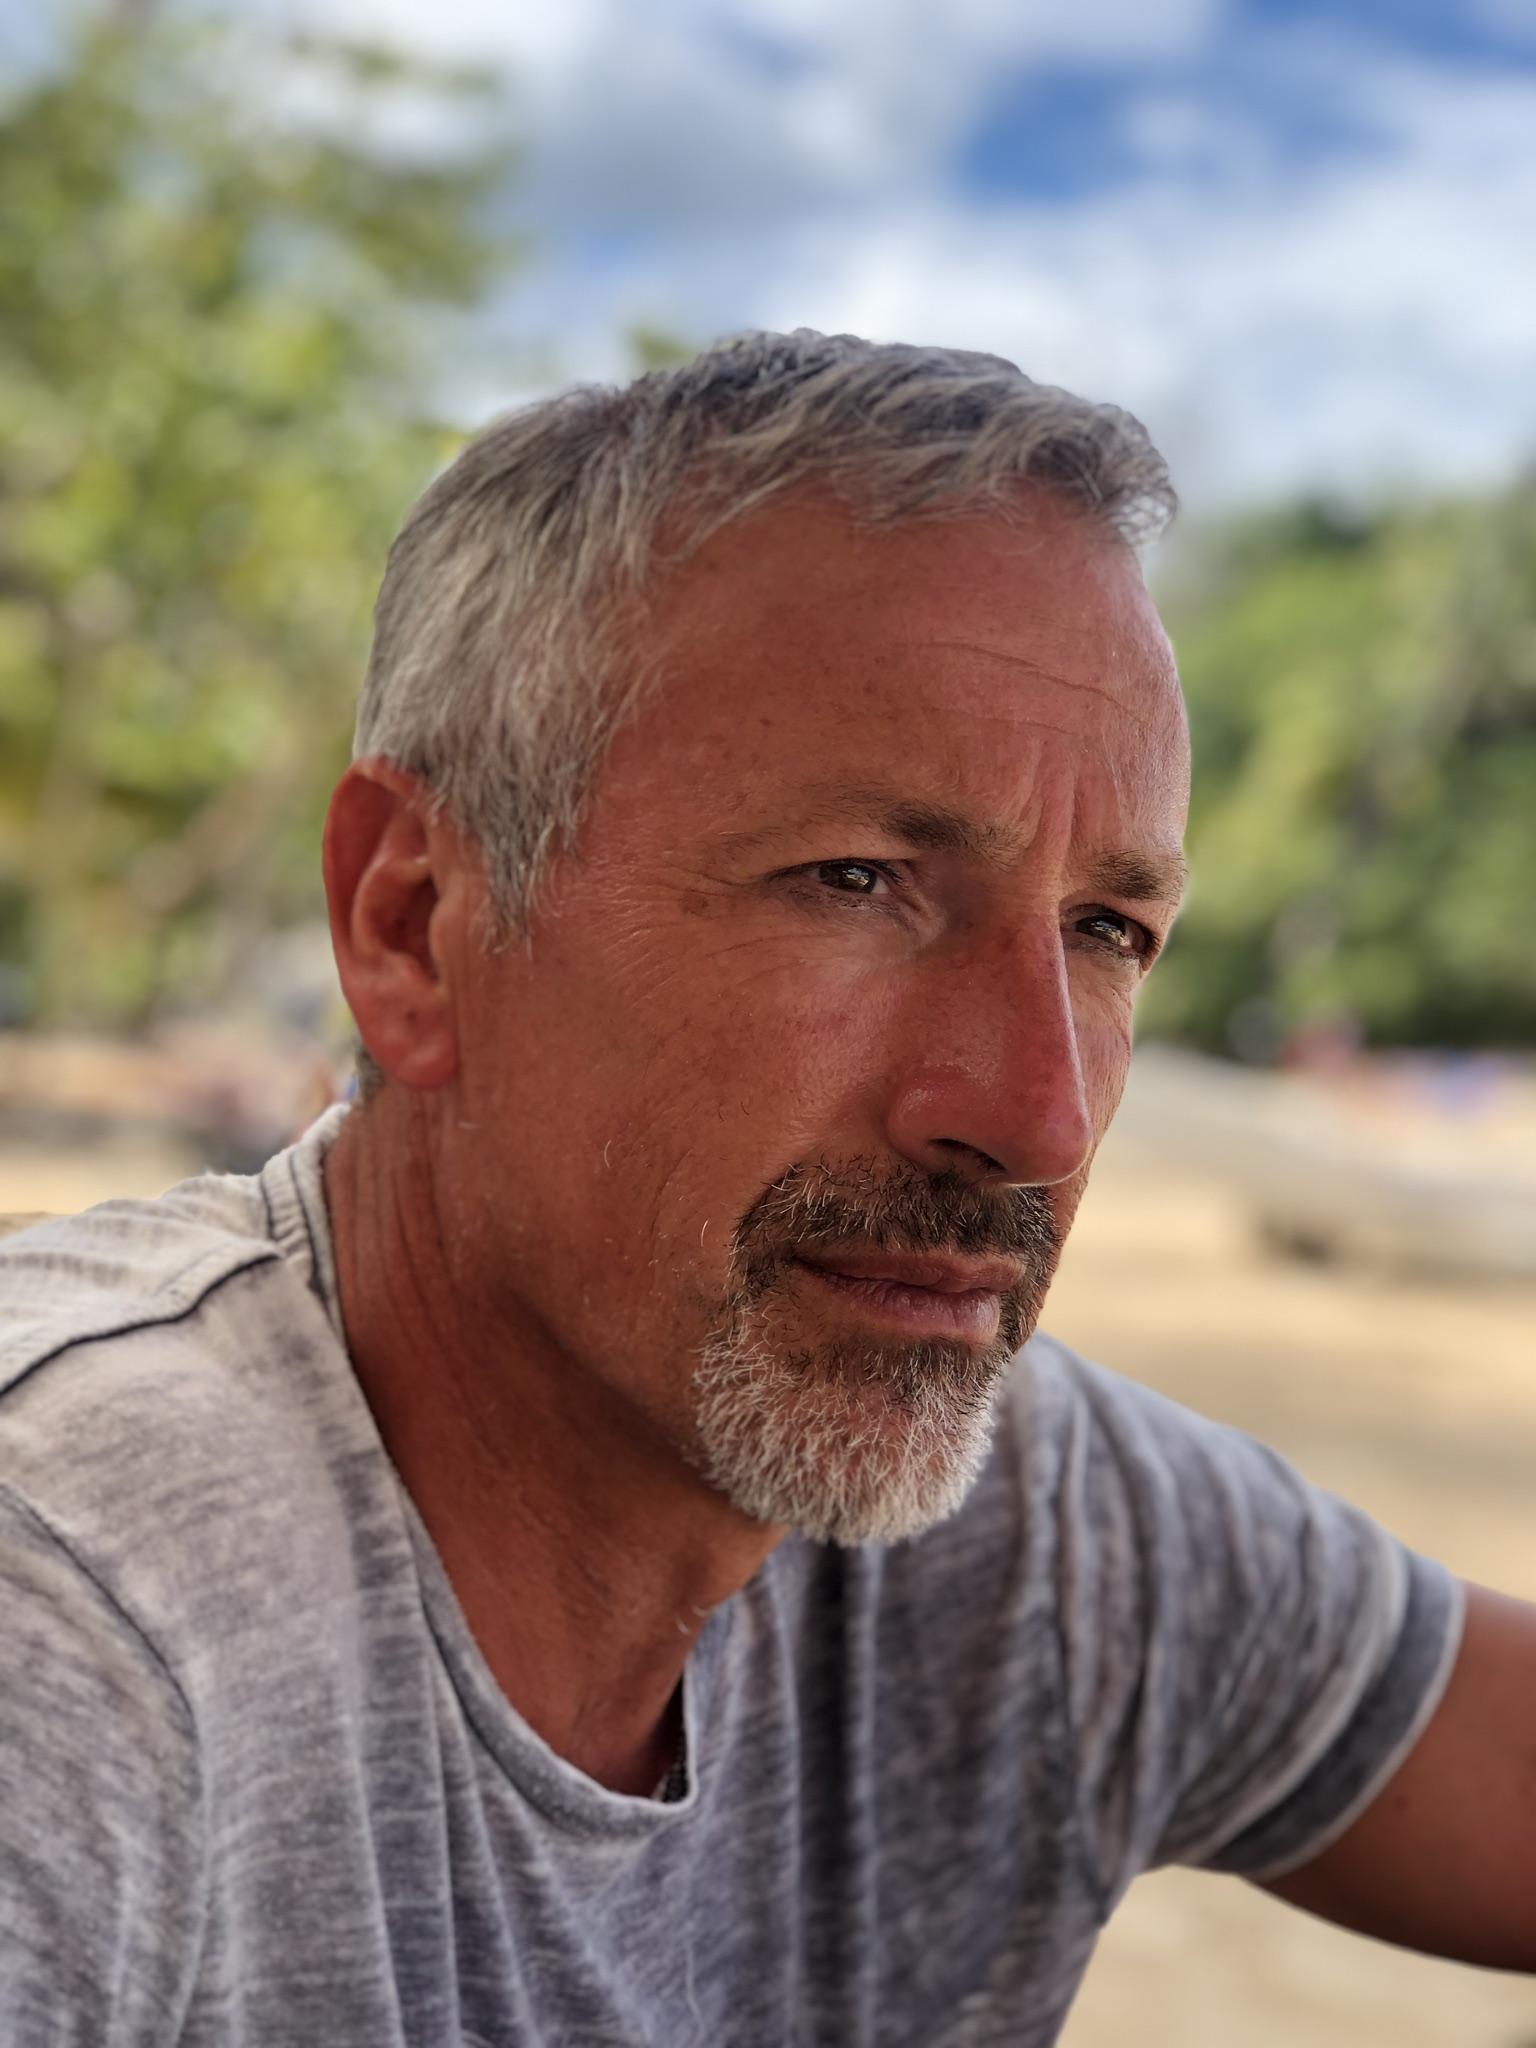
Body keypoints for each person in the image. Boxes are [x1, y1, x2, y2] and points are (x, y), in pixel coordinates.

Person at [1, 331, 1532, 2048]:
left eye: (1109, 930)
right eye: (856, 880)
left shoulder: (1025, 1531)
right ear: (412, 925)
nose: (1038, 1119)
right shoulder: (70, 1606)